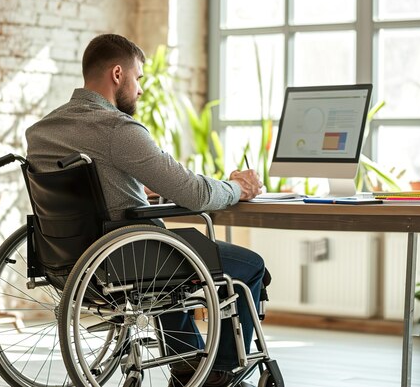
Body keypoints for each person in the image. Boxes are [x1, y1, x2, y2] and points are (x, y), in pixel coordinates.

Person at [25, 34, 265, 387]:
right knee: (248, 266)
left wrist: (134, 186)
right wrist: (237, 188)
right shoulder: (117, 129)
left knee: (171, 257)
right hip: (128, 259)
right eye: (138, 78)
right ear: (118, 74)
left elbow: (90, 188)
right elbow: (195, 194)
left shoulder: (42, 131)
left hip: (67, 258)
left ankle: (187, 367)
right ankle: (220, 373)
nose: (140, 90)